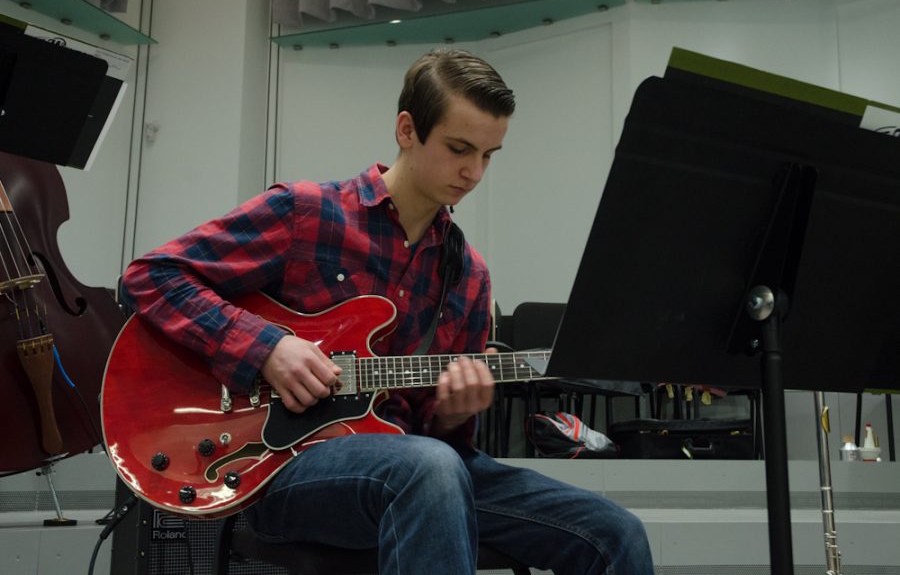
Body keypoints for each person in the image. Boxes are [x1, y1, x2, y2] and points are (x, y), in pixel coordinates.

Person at [121, 48, 653, 574]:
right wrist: (268, 348)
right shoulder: (307, 213)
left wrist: (453, 411)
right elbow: (151, 277)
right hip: (287, 467)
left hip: (417, 468)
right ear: (406, 130)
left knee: (613, 533)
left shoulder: (468, 274)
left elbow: (435, 438)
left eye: (489, 155)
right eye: (459, 148)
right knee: (429, 468)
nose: (473, 172)